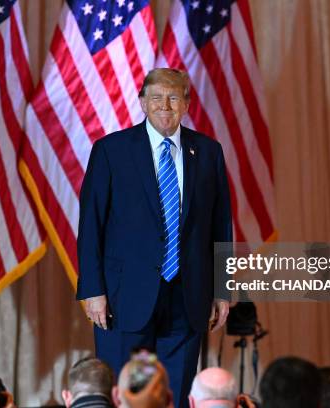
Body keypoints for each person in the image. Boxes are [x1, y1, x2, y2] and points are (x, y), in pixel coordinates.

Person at [77, 68, 233, 408]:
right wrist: (92, 289)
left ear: (187, 104)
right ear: (143, 103)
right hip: (123, 298)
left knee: (175, 396)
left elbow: (221, 227)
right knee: (124, 395)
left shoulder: (208, 152)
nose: (166, 105)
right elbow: (91, 225)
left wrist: (223, 290)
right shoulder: (111, 151)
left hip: (188, 297)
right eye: (157, 97)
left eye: (174, 97)